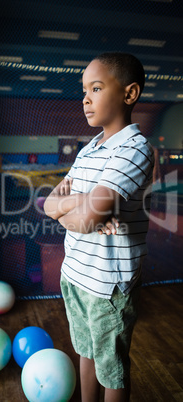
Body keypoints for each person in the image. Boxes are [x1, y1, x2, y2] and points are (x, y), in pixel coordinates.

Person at [44, 52, 154, 402]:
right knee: (86, 354)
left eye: (96, 87)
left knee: (112, 371)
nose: (85, 99)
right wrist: (80, 203)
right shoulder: (89, 149)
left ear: (129, 93)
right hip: (75, 274)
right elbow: (47, 205)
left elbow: (89, 217)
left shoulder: (135, 149)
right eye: (84, 90)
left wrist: (76, 211)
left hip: (109, 286)